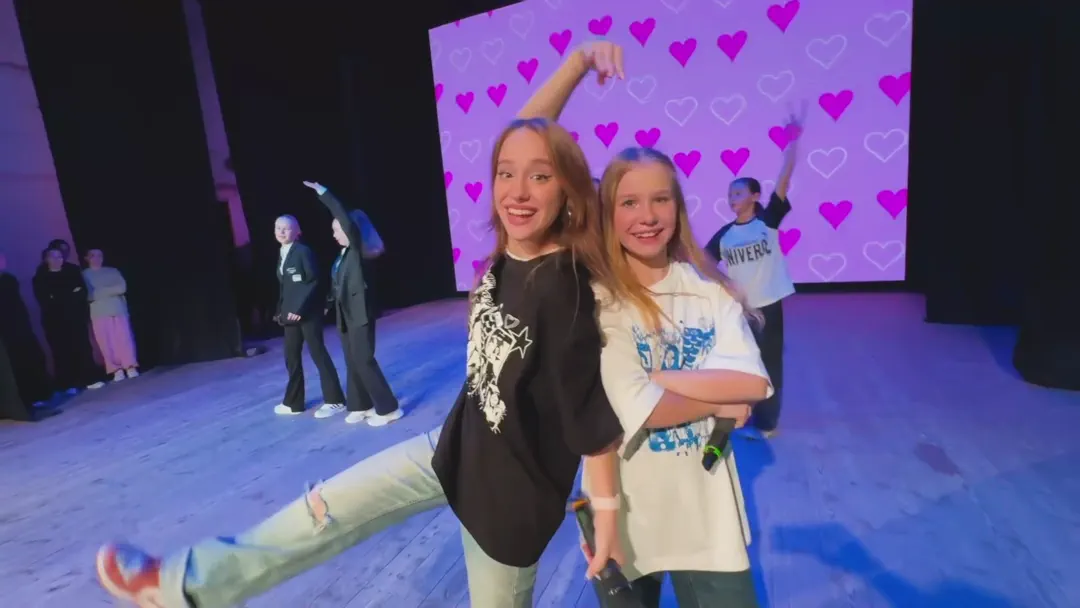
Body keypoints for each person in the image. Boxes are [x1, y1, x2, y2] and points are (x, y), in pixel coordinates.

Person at [95, 43, 629, 607]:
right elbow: (525, 139)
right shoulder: (510, 246)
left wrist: (609, 523)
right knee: (324, 509)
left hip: (508, 501)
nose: (518, 191)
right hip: (454, 448)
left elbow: (592, 429)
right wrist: (575, 63)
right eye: (506, 173)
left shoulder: (566, 286)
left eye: (541, 178)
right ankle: (184, 584)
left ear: (567, 190)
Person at [589, 147, 773, 607]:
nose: (647, 216)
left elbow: (753, 384)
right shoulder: (598, 302)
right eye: (629, 202)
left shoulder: (710, 292)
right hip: (626, 517)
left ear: (678, 207)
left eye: (661, 199)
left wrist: (657, 377)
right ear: (607, 213)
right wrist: (718, 400)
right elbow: (640, 408)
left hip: (708, 518)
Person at [703, 104, 804, 439]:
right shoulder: (725, 234)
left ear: (755, 196)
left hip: (769, 305)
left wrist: (793, 142)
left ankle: (768, 422)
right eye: (729, 194)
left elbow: (784, 180)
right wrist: (724, 283)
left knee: (770, 362)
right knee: (741, 361)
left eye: (738, 192)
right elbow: (703, 260)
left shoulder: (767, 222)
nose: (732, 198)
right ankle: (740, 414)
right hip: (742, 309)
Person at [300, 185, 401, 425]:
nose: (334, 235)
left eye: (338, 230)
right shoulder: (343, 256)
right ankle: (361, 405)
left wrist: (323, 193)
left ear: (350, 230)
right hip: (345, 316)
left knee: (364, 360)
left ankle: (389, 409)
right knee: (351, 361)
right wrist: (327, 304)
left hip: (360, 316)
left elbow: (344, 217)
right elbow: (338, 286)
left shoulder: (357, 253)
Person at [270, 215, 346, 417]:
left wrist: (299, 309)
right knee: (291, 356)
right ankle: (294, 402)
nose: (281, 232)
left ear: (297, 232)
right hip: (290, 314)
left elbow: (312, 282)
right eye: (278, 228)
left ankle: (335, 400)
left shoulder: (303, 251)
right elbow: (287, 287)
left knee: (318, 353)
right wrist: (280, 310)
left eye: (286, 228)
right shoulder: (282, 252)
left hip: (307, 313)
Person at [32, 247, 104, 394]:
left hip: (76, 318)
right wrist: (69, 294)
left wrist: (60, 296)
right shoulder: (40, 278)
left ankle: (90, 379)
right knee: (63, 351)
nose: (57, 260)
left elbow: (81, 292)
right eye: (53, 257)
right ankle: (70, 383)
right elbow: (47, 300)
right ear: (46, 259)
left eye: (59, 257)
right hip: (55, 322)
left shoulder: (72, 272)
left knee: (83, 348)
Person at [0, 250, 53, 406]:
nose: (2, 261)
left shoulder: (9, 278)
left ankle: (41, 394)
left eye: (2, 257)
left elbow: (17, 304)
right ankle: (29, 397)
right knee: (18, 363)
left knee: (34, 358)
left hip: (22, 326)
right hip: (7, 332)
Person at [83, 249, 139, 382]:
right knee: (106, 343)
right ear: (87, 258)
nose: (96, 258)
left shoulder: (113, 271)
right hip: (98, 312)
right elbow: (88, 295)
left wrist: (100, 292)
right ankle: (116, 369)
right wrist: (109, 291)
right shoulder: (84, 275)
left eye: (99, 255)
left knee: (124, 339)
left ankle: (130, 366)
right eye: (93, 256)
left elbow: (121, 288)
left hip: (117, 309)